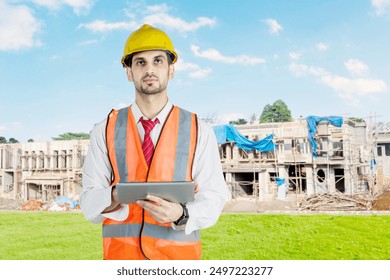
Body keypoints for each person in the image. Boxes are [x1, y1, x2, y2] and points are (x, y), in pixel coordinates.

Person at [80, 24, 228, 260]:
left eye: (158, 61)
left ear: (171, 70)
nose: (150, 69)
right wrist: (116, 194)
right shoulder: (104, 130)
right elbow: (88, 204)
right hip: (122, 262)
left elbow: (214, 196)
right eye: (140, 62)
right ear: (129, 72)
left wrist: (181, 214)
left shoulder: (199, 129)